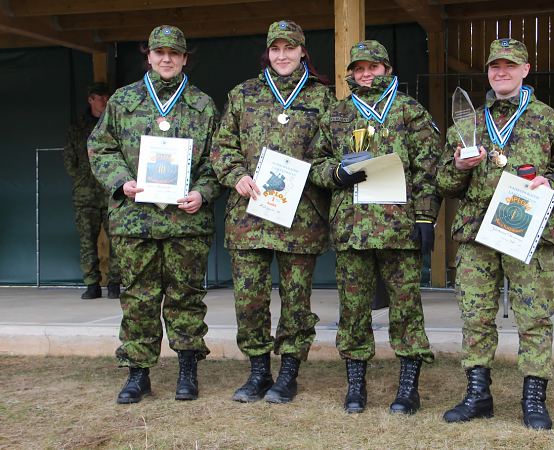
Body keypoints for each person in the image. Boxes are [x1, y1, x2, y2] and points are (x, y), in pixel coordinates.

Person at [436, 38, 554, 430]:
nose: (501, 72)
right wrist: (459, 166)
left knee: (534, 317)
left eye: (510, 66)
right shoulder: (469, 122)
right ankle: (478, 395)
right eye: (495, 66)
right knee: (475, 315)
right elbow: (442, 180)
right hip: (477, 235)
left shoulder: (546, 118)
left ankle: (534, 399)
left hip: (529, 235)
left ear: (525, 70)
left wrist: (551, 179)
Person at [88, 25, 222, 404]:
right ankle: (138, 374)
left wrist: (203, 192)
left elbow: (220, 158)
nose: (166, 59)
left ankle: (187, 372)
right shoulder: (123, 100)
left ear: (184, 59)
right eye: (159, 53)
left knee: (187, 298)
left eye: (174, 53)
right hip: (136, 221)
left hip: (186, 223)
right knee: (138, 298)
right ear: (148, 56)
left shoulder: (202, 105)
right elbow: (100, 148)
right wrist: (122, 182)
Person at [307, 40, 441, 414]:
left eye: (374, 68)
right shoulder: (337, 114)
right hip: (352, 230)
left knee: (406, 309)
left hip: (400, 230)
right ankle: (355, 387)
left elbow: (428, 169)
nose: (366, 74)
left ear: (388, 70)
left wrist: (425, 217)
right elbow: (316, 165)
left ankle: (408, 388)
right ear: (351, 73)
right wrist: (336, 174)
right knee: (352, 310)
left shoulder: (409, 111)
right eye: (359, 69)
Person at [211, 20, 334, 404]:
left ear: (302, 52)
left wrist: (309, 173)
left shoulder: (322, 98)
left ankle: (289, 375)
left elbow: (333, 151)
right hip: (249, 217)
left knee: (297, 302)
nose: (282, 56)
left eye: (290, 48)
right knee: (249, 300)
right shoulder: (243, 94)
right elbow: (221, 146)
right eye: (275, 49)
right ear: (268, 52)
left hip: (301, 218)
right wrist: (236, 175)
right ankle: (259, 372)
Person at [63, 82, 121, 300]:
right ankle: (92, 284)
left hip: (111, 192)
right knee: (87, 240)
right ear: (90, 99)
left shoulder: (114, 124)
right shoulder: (77, 127)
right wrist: (80, 177)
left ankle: (115, 283)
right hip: (85, 193)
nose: (104, 101)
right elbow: (69, 158)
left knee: (117, 239)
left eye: (107, 97)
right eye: (100, 97)